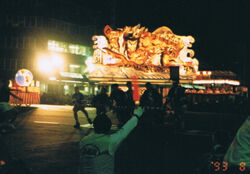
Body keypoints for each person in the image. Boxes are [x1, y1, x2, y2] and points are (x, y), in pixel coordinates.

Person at [79, 107, 144, 174]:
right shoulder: (109, 141)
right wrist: (136, 115)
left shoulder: (84, 141)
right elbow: (125, 130)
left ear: (94, 126)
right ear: (108, 128)